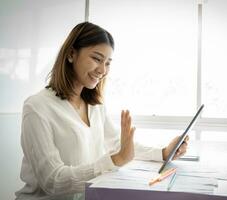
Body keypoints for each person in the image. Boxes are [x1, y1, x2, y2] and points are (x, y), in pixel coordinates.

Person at [15, 22, 189, 200]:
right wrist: (116, 160)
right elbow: (53, 180)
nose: (103, 70)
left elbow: (119, 146)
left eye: (108, 63)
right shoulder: (37, 107)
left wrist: (164, 152)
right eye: (97, 59)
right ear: (71, 54)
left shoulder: (95, 106)